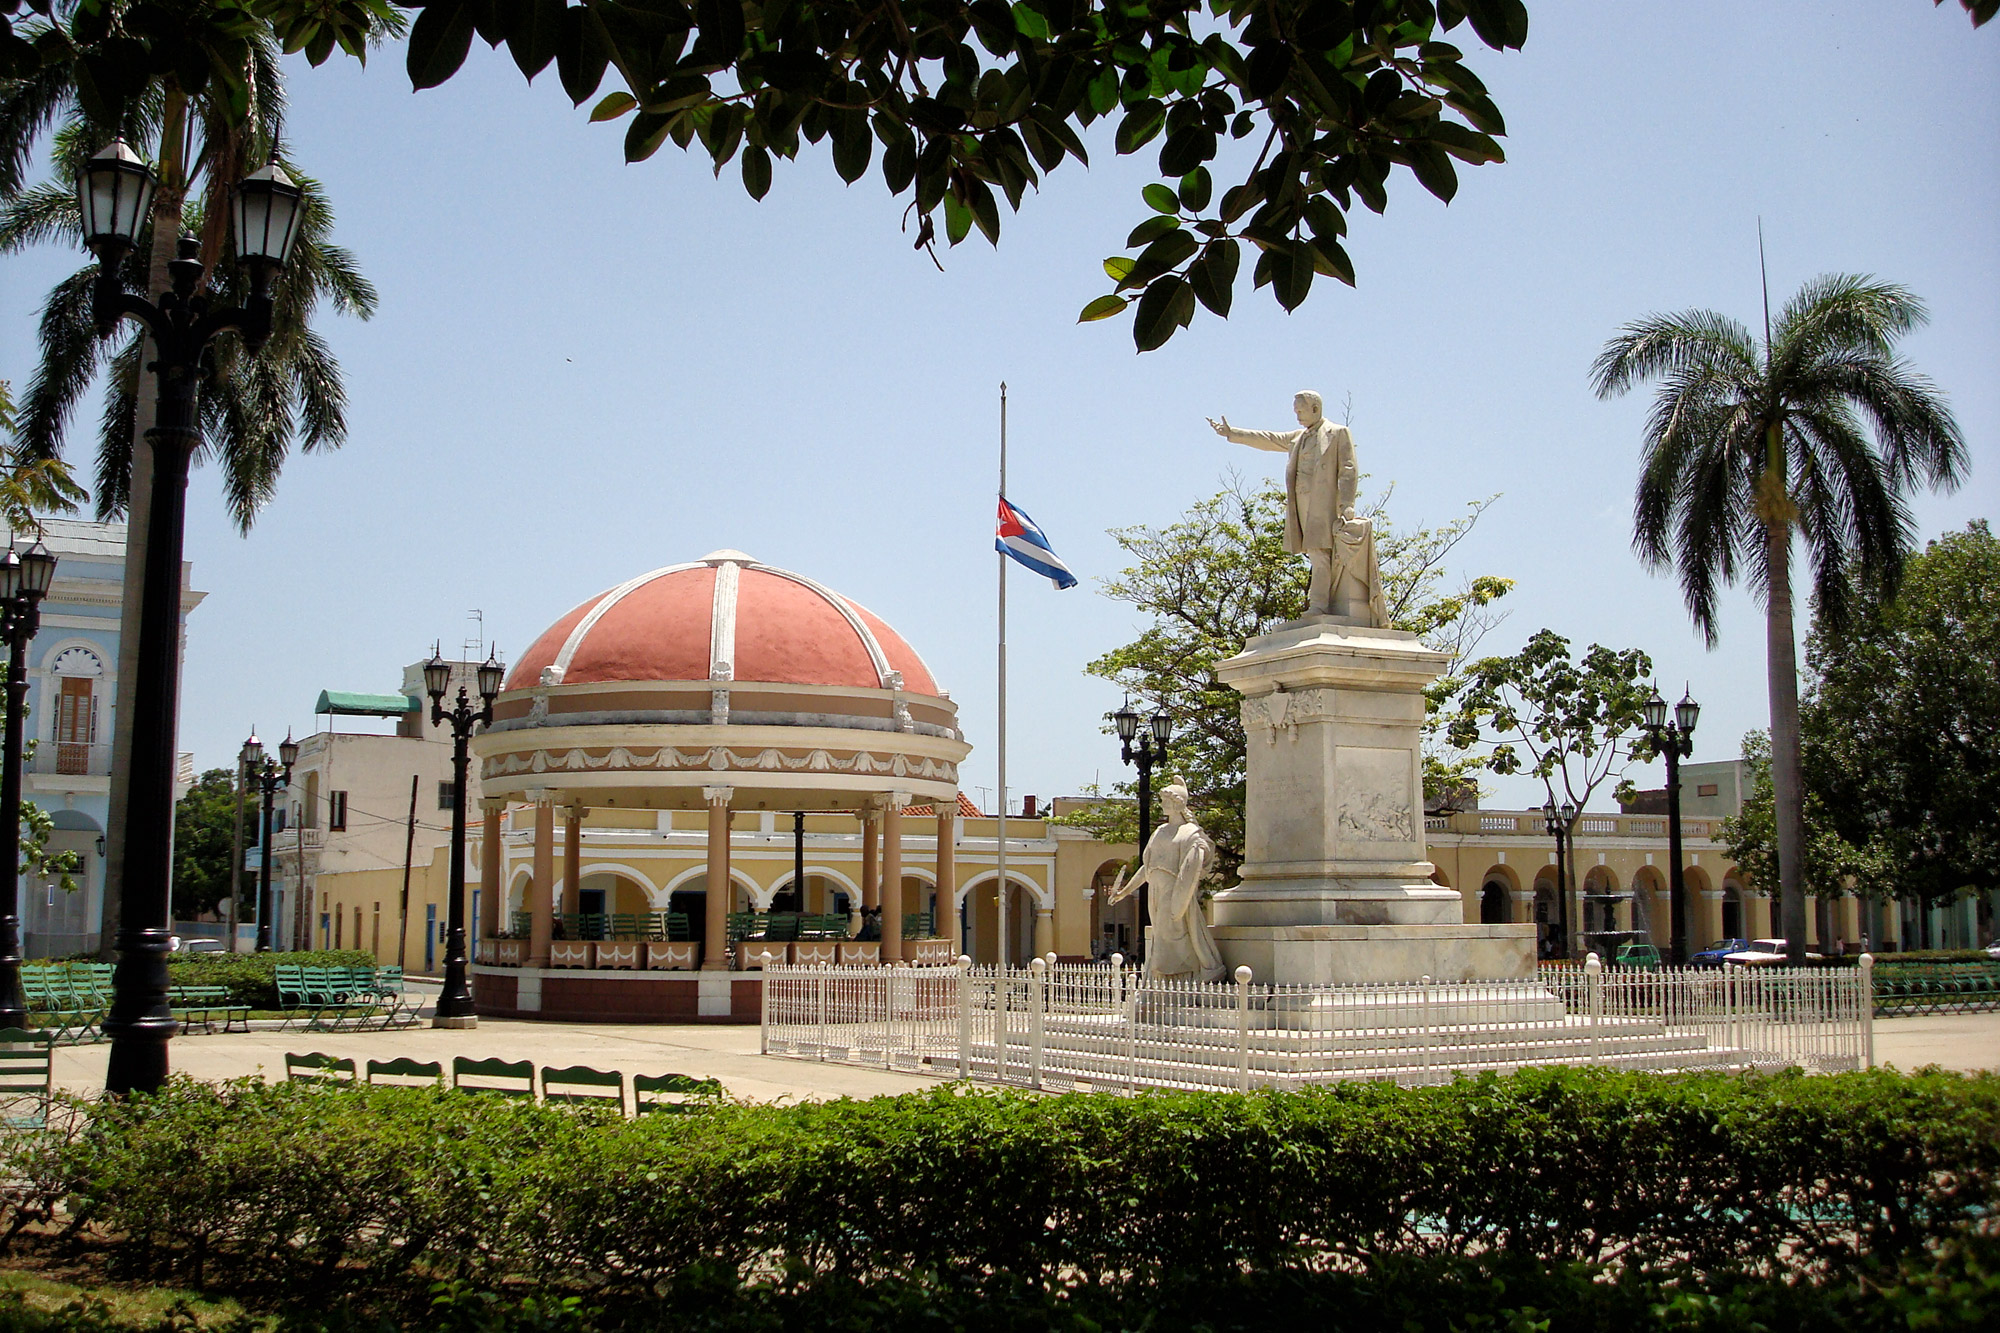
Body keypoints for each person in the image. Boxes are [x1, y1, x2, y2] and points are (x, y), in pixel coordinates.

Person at [1208, 391, 1387, 624]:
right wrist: (1232, 433)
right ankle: (1321, 604)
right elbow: (1268, 438)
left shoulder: (1337, 432)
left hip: (1324, 504)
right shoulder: (1298, 437)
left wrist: (1346, 505)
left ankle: (1319, 605)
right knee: (1316, 554)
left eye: (1300, 411)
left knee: (1320, 553)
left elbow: (1348, 469)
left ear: (1315, 408)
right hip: (1302, 503)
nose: (1297, 416)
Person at [1105, 779, 1223, 981]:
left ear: (1178, 803)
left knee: (1177, 935)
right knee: (1161, 936)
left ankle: (1183, 976)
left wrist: (1200, 850)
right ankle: (1162, 979)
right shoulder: (1159, 832)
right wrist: (1124, 892)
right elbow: (1147, 869)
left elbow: (1193, 865)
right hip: (1156, 892)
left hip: (1175, 891)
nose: (1161, 805)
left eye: (1165, 801)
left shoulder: (1191, 834)